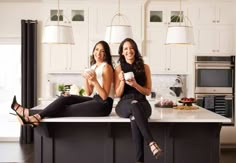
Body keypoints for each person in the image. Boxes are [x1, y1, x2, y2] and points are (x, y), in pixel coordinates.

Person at [10, 40, 114, 126]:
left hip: (104, 105)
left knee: (68, 109)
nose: (98, 53)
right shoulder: (93, 67)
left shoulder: (107, 68)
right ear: (93, 51)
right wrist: (85, 78)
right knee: (65, 97)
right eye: (96, 49)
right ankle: (30, 114)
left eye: (102, 51)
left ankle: (31, 115)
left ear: (106, 54)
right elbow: (88, 92)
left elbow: (104, 96)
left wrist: (94, 80)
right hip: (95, 99)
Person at [114, 38, 162, 162]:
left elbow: (147, 91)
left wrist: (135, 85)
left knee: (135, 117)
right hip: (124, 104)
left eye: (131, 48)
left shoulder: (145, 67)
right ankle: (151, 142)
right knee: (133, 106)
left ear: (135, 49)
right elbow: (118, 94)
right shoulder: (118, 69)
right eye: (125, 49)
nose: (129, 51)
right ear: (122, 52)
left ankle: (139, 160)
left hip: (142, 103)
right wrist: (122, 81)